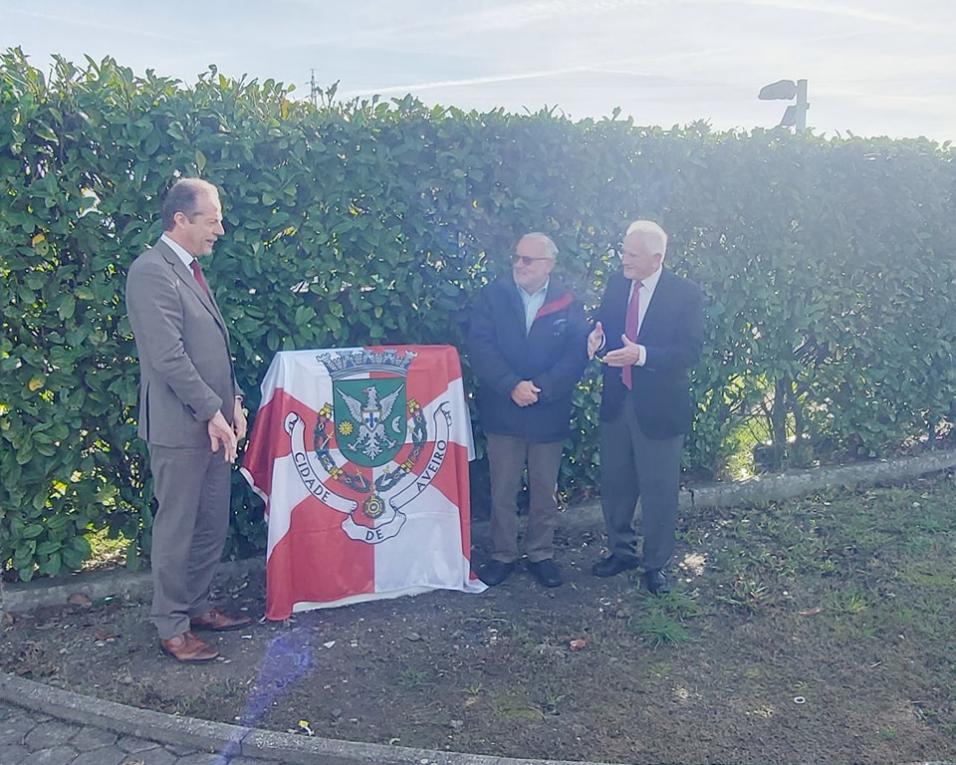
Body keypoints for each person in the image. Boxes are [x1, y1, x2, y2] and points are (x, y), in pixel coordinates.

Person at [126, 178, 252, 663]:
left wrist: (234, 402)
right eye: (212, 218)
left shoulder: (191, 271)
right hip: (182, 430)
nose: (220, 228)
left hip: (215, 425)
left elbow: (215, 351)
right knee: (178, 527)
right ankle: (171, 626)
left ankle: (196, 606)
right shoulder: (151, 272)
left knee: (210, 523)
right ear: (181, 219)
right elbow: (168, 357)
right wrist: (212, 412)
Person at [587, 220, 704, 595]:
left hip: (660, 409)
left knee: (659, 491)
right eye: (623, 251)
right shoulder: (617, 284)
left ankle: (656, 565)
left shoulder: (686, 294)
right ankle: (621, 551)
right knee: (616, 485)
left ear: (656, 259)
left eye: (631, 255)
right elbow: (604, 324)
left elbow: (690, 352)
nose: (624, 259)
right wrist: (595, 336)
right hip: (617, 403)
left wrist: (642, 355)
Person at [468, 233, 588, 588]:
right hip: (504, 408)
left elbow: (577, 351)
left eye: (527, 260)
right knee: (502, 489)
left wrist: (542, 388)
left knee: (543, 490)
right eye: (517, 257)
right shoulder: (493, 296)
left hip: (548, 410)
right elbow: (480, 345)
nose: (518, 265)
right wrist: (511, 385)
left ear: (548, 265)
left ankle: (541, 554)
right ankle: (502, 555)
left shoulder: (569, 300)